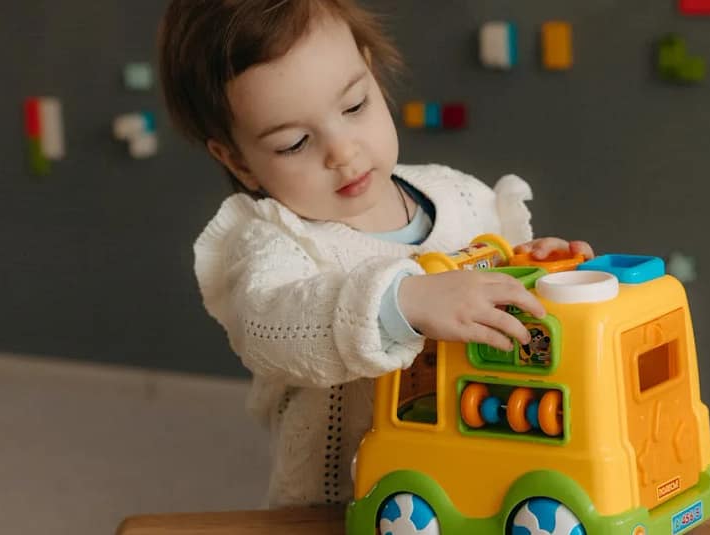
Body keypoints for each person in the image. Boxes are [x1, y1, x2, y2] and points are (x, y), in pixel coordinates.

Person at [157, 0, 594, 507]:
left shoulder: (458, 196)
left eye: (354, 107)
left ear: (372, 74)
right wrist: (401, 303)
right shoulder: (274, 240)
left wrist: (535, 264)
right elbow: (269, 328)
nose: (342, 152)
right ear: (238, 160)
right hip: (343, 502)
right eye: (296, 143)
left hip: (478, 466)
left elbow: (499, 284)